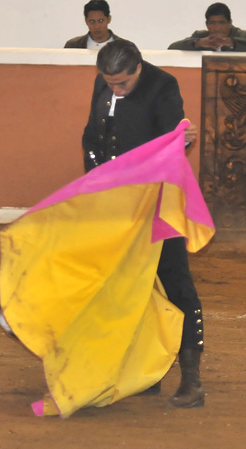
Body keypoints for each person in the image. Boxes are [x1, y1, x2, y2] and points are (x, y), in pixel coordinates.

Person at [82, 39, 205, 408]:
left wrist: (182, 141)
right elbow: (92, 137)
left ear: (138, 68)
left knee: (174, 279)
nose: (116, 89)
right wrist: (97, 183)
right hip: (117, 203)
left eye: (123, 83)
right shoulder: (104, 82)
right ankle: (145, 373)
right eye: (110, 83)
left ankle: (192, 380)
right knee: (128, 283)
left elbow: (171, 143)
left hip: (157, 201)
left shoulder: (163, 86)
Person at [168, 2, 246, 51]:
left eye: (222, 23)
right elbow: (172, 48)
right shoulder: (200, 36)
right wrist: (198, 43)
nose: (217, 28)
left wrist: (232, 43)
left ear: (230, 23)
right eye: (212, 23)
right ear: (207, 24)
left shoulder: (244, 36)